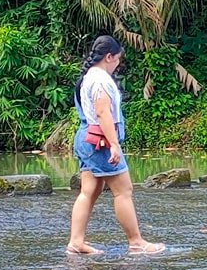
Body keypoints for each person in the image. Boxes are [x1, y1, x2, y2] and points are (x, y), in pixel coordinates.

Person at [66, 36, 165, 257]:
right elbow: (103, 113)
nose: (118, 64)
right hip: (100, 142)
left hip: (86, 139)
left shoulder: (88, 77)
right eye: (117, 59)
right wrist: (114, 145)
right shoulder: (100, 81)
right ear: (108, 57)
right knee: (124, 191)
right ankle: (136, 242)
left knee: (89, 191)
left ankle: (76, 242)